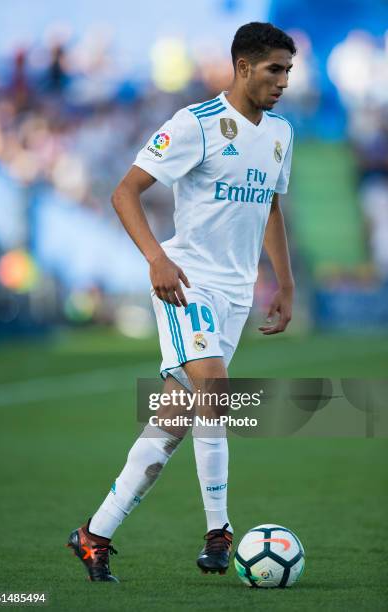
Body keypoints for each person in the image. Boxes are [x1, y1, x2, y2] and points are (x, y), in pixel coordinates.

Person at [67, 21, 296, 583]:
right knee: (215, 392)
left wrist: (285, 285)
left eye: (288, 70)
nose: (283, 81)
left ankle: (93, 534)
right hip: (186, 282)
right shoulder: (193, 126)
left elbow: (268, 207)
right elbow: (125, 192)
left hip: (237, 294)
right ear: (243, 67)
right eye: (274, 69)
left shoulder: (280, 133)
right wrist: (156, 259)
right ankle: (220, 531)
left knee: (170, 425)